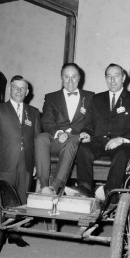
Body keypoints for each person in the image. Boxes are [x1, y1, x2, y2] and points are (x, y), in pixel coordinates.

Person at [0, 75, 41, 247]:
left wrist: (38, 163)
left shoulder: (34, 112)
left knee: (21, 200)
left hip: (26, 164)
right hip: (3, 163)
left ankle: (15, 234)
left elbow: (38, 140)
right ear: (10, 89)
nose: (19, 90)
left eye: (22, 88)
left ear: (27, 91)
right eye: (15, 87)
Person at [76, 63, 130, 199]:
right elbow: (89, 123)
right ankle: (84, 190)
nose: (112, 80)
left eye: (116, 76)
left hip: (123, 144)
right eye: (109, 76)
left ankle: (110, 194)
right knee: (82, 149)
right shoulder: (96, 99)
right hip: (100, 142)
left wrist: (120, 139)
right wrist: (87, 132)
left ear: (124, 78)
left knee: (121, 154)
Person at [35, 63, 94, 194]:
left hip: (76, 139)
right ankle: (44, 185)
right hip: (57, 139)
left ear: (80, 78)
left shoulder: (90, 97)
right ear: (61, 78)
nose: (70, 81)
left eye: (74, 77)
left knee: (73, 140)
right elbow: (47, 120)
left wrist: (87, 132)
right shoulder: (51, 97)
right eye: (66, 77)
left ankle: (55, 187)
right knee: (41, 138)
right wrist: (58, 133)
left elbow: (91, 121)